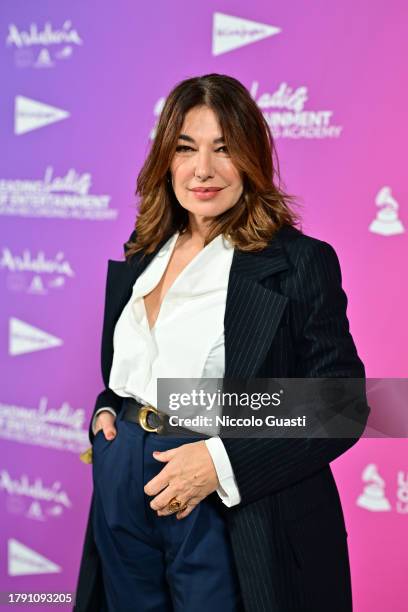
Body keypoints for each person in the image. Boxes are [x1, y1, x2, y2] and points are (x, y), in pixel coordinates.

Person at [74, 73, 369, 612]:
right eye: (186, 148)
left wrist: (219, 462)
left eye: (224, 149)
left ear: (252, 159)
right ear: (166, 157)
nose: (202, 170)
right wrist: (110, 412)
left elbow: (341, 406)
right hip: (122, 483)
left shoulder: (297, 262)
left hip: (221, 497)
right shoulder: (145, 253)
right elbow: (139, 371)